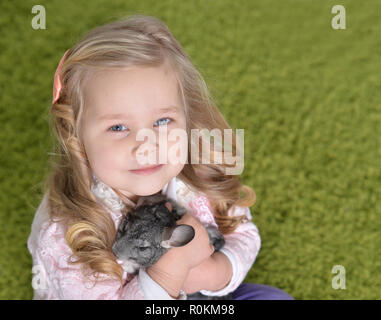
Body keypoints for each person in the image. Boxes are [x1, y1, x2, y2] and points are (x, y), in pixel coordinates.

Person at [27, 14, 293, 300]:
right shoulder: (66, 232)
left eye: (163, 121)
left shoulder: (196, 173)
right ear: (76, 136)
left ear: (186, 117)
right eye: (118, 127)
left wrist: (215, 271)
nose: (147, 146)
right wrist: (170, 270)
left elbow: (242, 232)